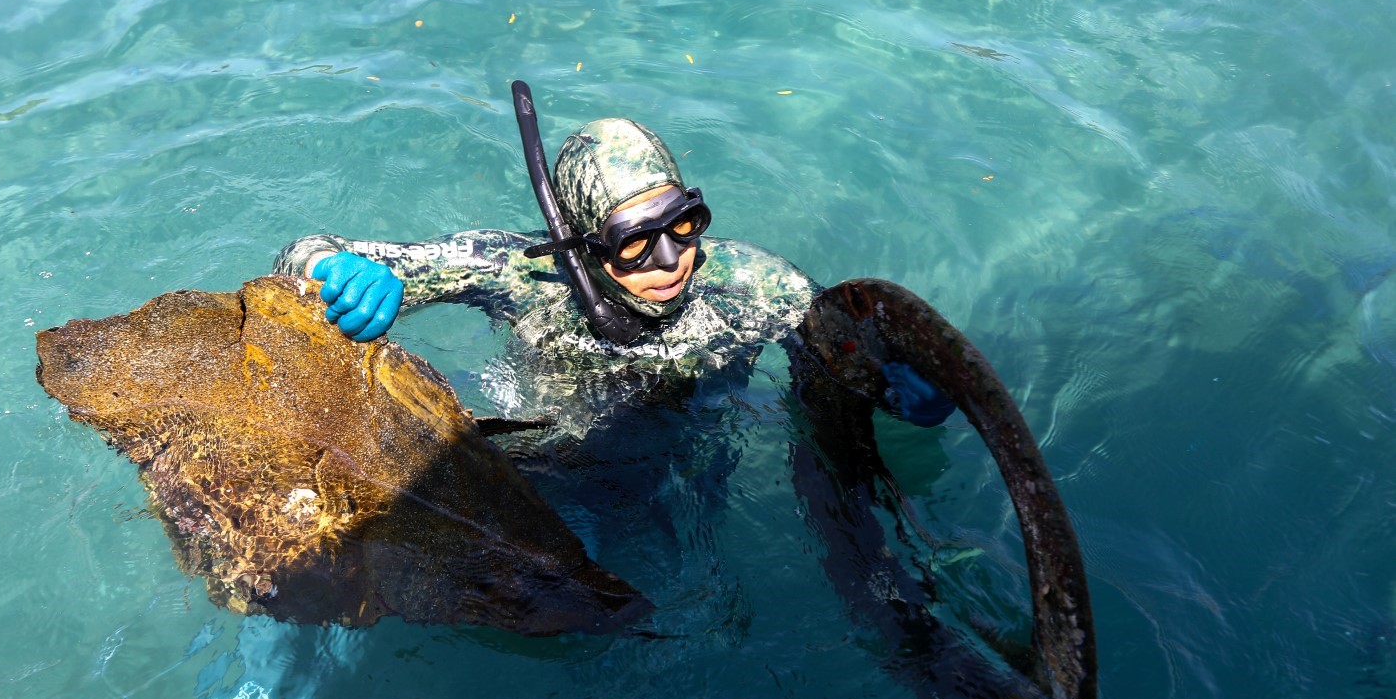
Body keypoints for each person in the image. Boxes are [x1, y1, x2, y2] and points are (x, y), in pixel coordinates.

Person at [272, 117, 953, 436]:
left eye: (683, 225)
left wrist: (885, 382)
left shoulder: (753, 284)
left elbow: (832, 350)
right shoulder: (522, 274)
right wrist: (333, 271)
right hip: (555, 451)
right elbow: (305, 251)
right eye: (633, 243)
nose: (670, 262)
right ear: (584, 245)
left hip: (695, 441)